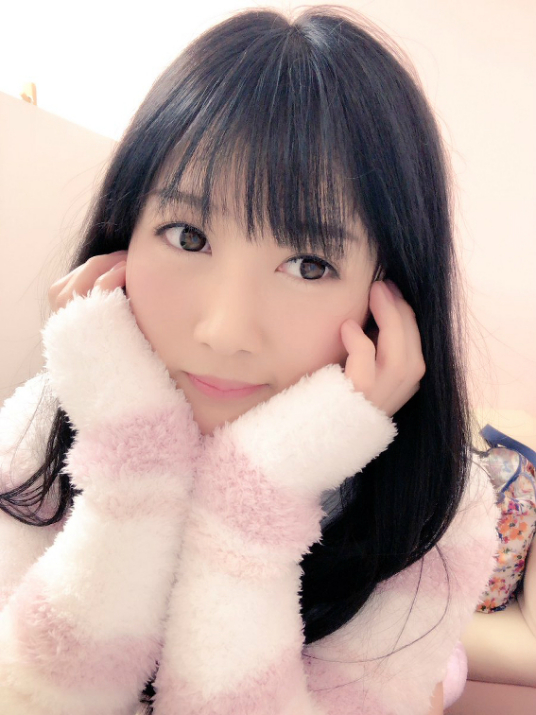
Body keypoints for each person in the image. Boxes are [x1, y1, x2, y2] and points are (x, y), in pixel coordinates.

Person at [0, 5, 498, 714]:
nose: (225, 331)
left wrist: (257, 506)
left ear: (391, 296)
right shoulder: (37, 428)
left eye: (308, 263)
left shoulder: (438, 514)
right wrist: (131, 469)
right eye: (187, 236)